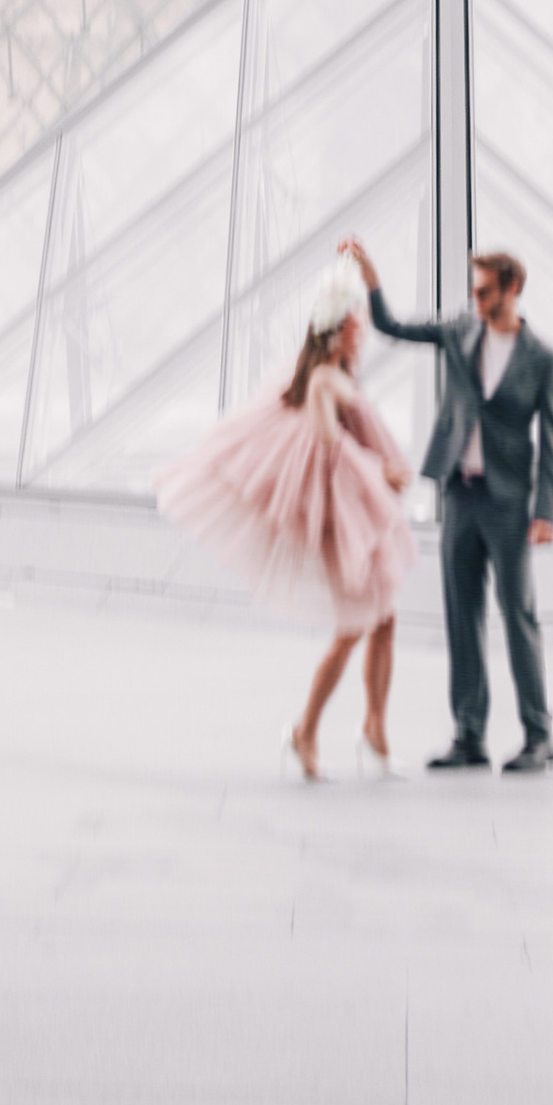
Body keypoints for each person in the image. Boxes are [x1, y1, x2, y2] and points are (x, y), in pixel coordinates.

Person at [154, 256, 413, 780]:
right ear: (337, 332)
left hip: (356, 518)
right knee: (355, 627)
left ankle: (373, 730)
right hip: (345, 523)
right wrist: (380, 473)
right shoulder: (322, 380)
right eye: (355, 330)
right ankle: (307, 732)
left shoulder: (332, 375)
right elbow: (329, 445)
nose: (361, 339)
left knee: (382, 621)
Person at [343, 237, 553, 776]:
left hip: (510, 504)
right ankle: (469, 734)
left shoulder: (544, 359)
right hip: (460, 497)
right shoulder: (458, 331)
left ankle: (540, 737)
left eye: (485, 290)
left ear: (513, 289)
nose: (476, 298)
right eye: (474, 288)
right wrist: (371, 280)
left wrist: (545, 511)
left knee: (519, 617)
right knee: (462, 618)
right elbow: (394, 327)